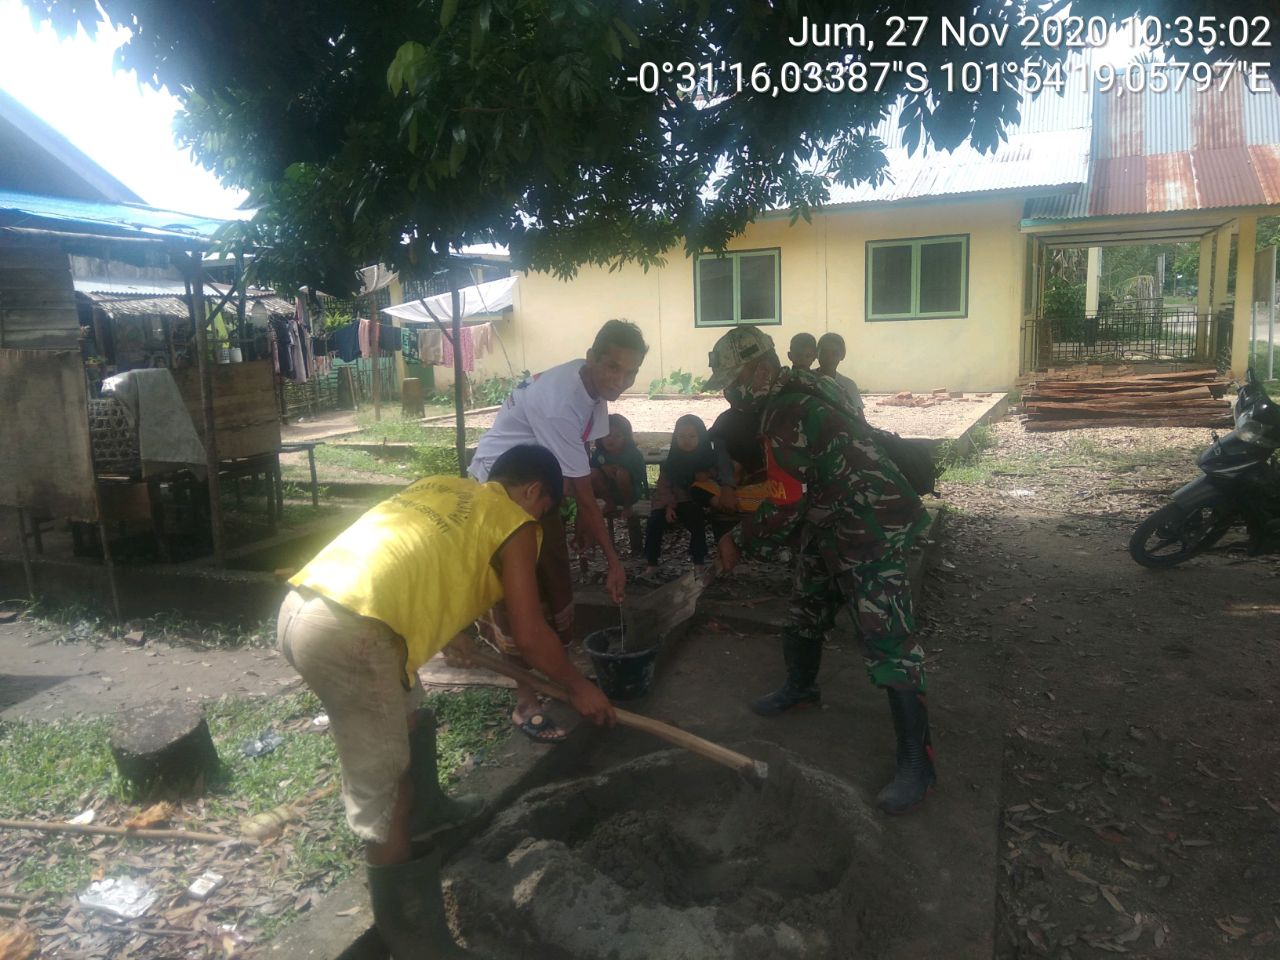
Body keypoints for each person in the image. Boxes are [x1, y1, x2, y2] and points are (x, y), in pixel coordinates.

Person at [277, 445, 616, 957]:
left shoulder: (445, 488)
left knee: (409, 710)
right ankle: (412, 937)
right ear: (533, 492)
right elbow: (528, 631)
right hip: (353, 635)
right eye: (545, 509)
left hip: (307, 604)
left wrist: (454, 628)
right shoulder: (516, 521)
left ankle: (429, 811)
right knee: (388, 798)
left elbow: (419, 560)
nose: (540, 522)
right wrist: (577, 685)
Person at [704, 326, 934, 815]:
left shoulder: (786, 412)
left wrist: (737, 539)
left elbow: (786, 504)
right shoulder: (804, 387)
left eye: (733, 379)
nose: (728, 391)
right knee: (807, 601)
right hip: (828, 517)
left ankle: (918, 763)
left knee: (888, 639)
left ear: (762, 370)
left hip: (868, 525)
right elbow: (800, 481)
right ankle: (800, 687)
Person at [469, 319, 646, 742]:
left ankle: (560, 681)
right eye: (612, 368)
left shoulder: (591, 389)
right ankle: (526, 701)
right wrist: (614, 561)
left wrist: (585, 521)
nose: (620, 381)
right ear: (592, 358)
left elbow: (579, 466)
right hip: (502, 496)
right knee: (520, 603)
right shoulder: (559, 401)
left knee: (554, 585)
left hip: (539, 492)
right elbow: (585, 495)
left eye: (631, 372)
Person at [645, 414, 717, 574]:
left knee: (697, 520)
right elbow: (663, 487)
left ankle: (699, 563)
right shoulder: (671, 460)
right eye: (681, 436)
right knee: (654, 522)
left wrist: (708, 475)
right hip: (669, 502)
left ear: (701, 437)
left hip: (692, 502)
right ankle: (652, 563)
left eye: (692, 436)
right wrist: (669, 506)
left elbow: (714, 480)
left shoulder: (707, 459)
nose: (686, 440)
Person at [590, 413, 649, 553]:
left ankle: (627, 507)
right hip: (609, 491)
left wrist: (622, 471)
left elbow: (640, 474)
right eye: (608, 435)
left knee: (622, 474)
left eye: (618, 436)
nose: (612, 440)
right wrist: (603, 468)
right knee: (593, 474)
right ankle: (609, 503)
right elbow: (592, 467)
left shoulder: (633, 453)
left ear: (626, 437)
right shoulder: (599, 453)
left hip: (630, 492)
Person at [817, 331, 865, 419]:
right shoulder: (807, 379)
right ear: (816, 354)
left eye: (835, 353)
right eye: (824, 352)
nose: (829, 357)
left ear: (842, 355)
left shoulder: (848, 385)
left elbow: (860, 419)